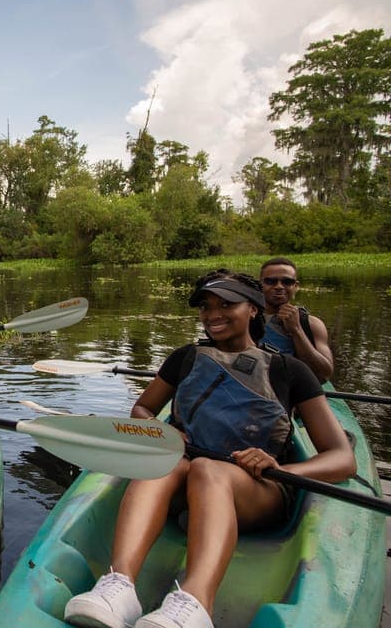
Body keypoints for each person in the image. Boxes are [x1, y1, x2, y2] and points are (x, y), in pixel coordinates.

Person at [64, 271, 355, 628]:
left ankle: (196, 603)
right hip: (186, 481)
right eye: (206, 306)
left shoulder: (289, 370)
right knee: (165, 464)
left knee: (208, 469)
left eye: (227, 305)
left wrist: (281, 469)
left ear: (253, 309)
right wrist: (159, 430)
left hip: (256, 490)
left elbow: (342, 458)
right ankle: (118, 586)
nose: (213, 314)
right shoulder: (186, 357)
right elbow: (143, 409)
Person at [259, 257, 333, 383]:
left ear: (295, 286)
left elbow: (323, 375)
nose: (279, 286)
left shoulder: (312, 324)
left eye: (287, 282)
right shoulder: (245, 318)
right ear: (260, 284)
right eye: (271, 281)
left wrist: (296, 330)